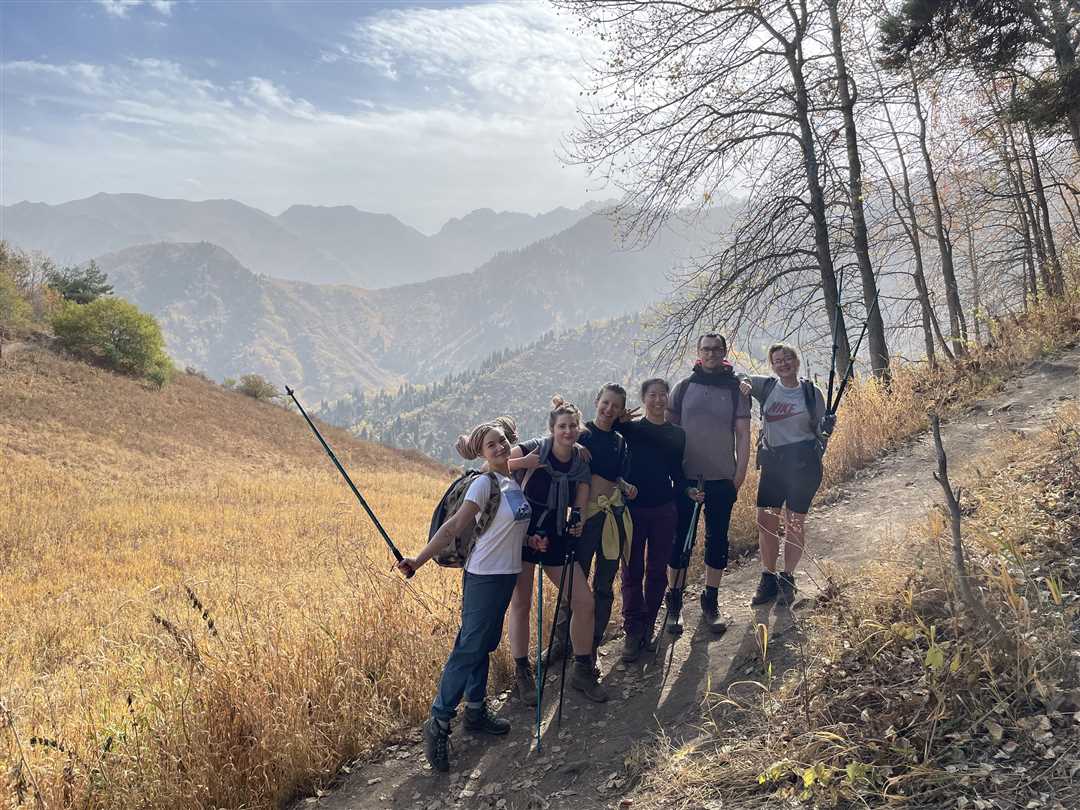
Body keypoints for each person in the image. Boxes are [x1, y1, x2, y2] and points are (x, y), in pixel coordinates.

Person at [396, 417, 541, 773]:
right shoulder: (482, 484)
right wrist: (419, 559)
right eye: (491, 444)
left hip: (506, 575)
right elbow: (453, 528)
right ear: (481, 452)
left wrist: (530, 540)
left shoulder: (512, 482)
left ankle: (475, 712)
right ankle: (439, 722)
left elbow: (509, 528)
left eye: (502, 441)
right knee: (468, 649)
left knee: (483, 644)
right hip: (484, 577)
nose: (499, 447)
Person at [505, 396, 609, 704]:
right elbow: (492, 465)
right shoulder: (532, 449)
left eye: (573, 425)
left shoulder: (579, 461)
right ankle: (522, 672)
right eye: (562, 426)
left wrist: (576, 521)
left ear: (579, 428)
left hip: (555, 536)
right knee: (521, 604)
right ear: (551, 428)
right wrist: (525, 463)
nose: (568, 431)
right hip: (521, 534)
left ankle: (581, 669)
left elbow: (581, 498)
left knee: (584, 601)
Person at [664, 333, 751, 635]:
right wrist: (672, 475)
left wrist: (738, 476)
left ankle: (709, 602)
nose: (711, 354)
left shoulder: (736, 390)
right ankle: (674, 604)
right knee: (679, 542)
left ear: (724, 352)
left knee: (717, 541)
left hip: (721, 479)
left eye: (716, 349)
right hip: (686, 479)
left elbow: (742, 434)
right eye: (706, 349)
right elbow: (669, 433)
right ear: (698, 353)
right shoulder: (683, 387)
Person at [740, 343, 830, 606]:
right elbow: (739, 377)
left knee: (794, 523)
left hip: (803, 465)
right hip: (774, 464)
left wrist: (827, 428)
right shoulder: (766, 387)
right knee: (766, 521)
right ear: (772, 365)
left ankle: (787, 578)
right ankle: (768, 578)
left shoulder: (812, 393)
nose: (784, 363)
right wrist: (744, 383)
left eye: (788, 358)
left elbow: (822, 433)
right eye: (778, 360)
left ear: (796, 361)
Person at [616, 378, 687, 661]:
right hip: (633, 509)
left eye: (663, 395)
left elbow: (677, 473)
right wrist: (620, 420)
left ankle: (649, 623)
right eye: (652, 395)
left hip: (664, 508)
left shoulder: (677, 434)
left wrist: (689, 490)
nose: (658, 400)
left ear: (668, 398)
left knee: (657, 570)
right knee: (631, 570)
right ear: (644, 399)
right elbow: (602, 439)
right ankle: (633, 629)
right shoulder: (630, 430)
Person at [574, 384, 637, 664]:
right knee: (575, 583)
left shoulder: (620, 441)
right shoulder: (580, 434)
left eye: (616, 406)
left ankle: (592, 646)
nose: (609, 409)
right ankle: (567, 643)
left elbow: (618, 476)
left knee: (603, 584)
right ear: (596, 401)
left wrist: (626, 486)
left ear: (621, 410)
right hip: (584, 519)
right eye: (605, 403)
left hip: (611, 517)